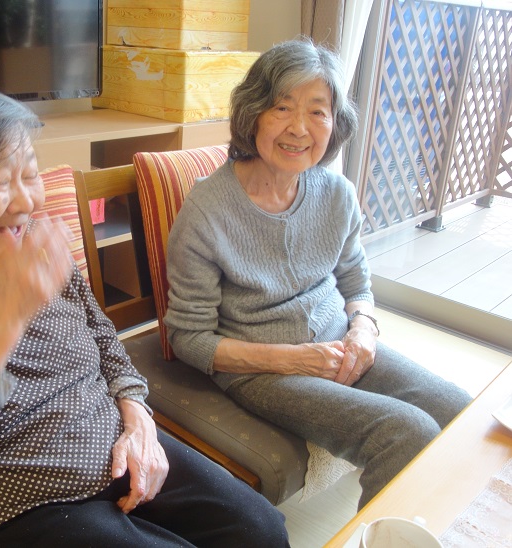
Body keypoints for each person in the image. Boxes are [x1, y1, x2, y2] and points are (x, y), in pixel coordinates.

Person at [0, 84, 289, 547]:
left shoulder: (33, 237)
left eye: (30, 175)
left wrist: (137, 416)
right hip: (9, 497)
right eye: (0, 182)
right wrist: (4, 321)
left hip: (112, 443)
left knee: (261, 529)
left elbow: (101, 334)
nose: (27, 203)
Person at [164, 39, 472, 510]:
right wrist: (294, 360)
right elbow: (188, 338)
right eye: (282, 107)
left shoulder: (336, 193)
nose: (299, 128)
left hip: (341, 344)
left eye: (317, 111)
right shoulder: (207, 210)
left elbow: (355, 279)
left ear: (335, 123)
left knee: (458, 409)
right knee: (405, 432)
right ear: (252, 114)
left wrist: (364, 328)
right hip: (261, 369)